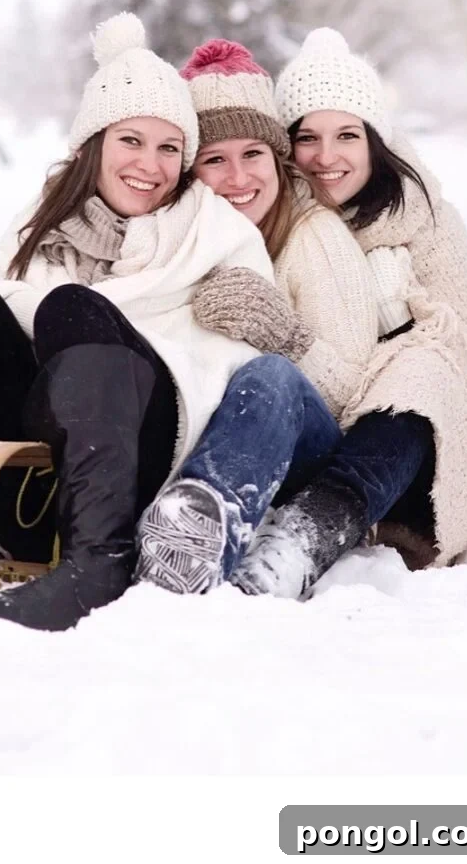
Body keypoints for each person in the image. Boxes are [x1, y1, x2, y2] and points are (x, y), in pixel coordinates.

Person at [0, 12, 313, 632]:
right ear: (94, 144)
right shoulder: (47, 224)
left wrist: (85, 323)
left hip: (153, 437)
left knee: (71, 307)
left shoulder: (215, 231)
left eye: (170, 148)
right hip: (46, 431)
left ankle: (97, 562)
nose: (152, 165)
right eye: (131, 141)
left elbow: (226, 370)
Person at [229, 27, 467, 597]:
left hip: (416, 444)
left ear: (374, 142)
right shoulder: (277, 217)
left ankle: (303, 540)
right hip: (315, 423)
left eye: (346, 136)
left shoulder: (426, 220)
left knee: (425, 368)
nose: (326, 157)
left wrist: (404, 320)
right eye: (307, 137)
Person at [135, 38, 380, 593]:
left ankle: (199, 531)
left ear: (277, 159)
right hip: (202, 431)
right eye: (215, 160)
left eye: (253, 155)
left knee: (269, 377)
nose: (238, 177)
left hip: (307, 453)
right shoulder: (184, 237)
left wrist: (285, 336)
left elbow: (355, 396)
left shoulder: (313, 238)